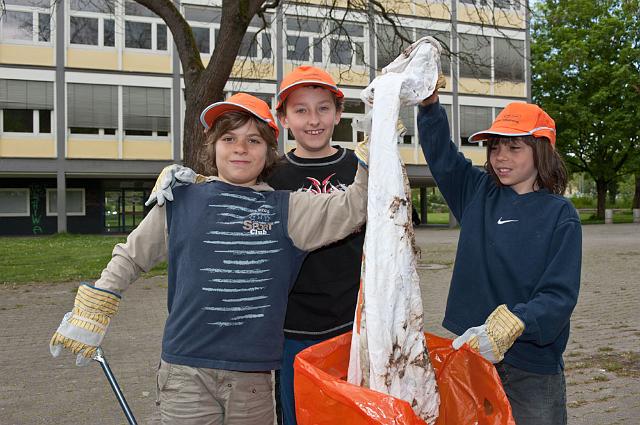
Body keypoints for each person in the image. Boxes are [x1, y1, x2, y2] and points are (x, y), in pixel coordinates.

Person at [50, 93, 369, 425]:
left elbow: (354, 206)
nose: (240, 148)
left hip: (254, 380)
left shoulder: (288, 209)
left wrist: (372, 151)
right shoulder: (180, 199)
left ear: (268, 151)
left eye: (253, 140)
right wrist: (92, 310)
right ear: (213, 146)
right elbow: (131, 257)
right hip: (186, 374)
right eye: (228, 138)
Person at [417, 94, 581, 425]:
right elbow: (442, 156)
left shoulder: (561, 215)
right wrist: (429, 106)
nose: (500, 157)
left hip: (532, 366)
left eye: (514, 148)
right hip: (474, 358)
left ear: (541, 151)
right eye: (494, 148)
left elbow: (559, 295)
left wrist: (518, 321)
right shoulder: (477, 192)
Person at [268, 65, 364, 425]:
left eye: (323, 108)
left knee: (350, 414)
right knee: (299, 415)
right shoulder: (273, 173)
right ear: (283, 118)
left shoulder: (360, 167)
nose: (313, 120)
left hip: (353, 324)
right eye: (301, 110)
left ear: (338, 114)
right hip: (294, 327)